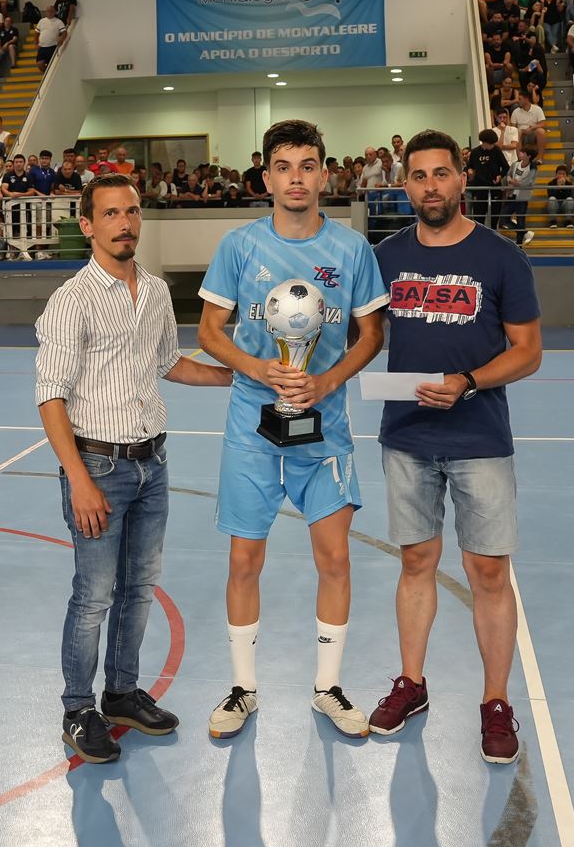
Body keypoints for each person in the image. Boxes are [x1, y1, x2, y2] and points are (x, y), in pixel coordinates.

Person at [197, 119, 389, 740]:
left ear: (324, 173)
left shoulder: (351, 249)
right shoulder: (239, 246)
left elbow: (372, 335)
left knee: (334, 559)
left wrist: (326, 383)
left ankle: (327, 687)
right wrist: (259, 369)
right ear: (267, 176)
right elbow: (208, 332)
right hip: (252, 425)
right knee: (243, 559)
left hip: (325, 427)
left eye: (308, 165)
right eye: (285, 166)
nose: (297, 178)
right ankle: (242, 690)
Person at [35, 173, 232, 764]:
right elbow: (51, 397)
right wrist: (79, 479)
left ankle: (120, 693)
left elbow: (169, 362)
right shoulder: (71, 301)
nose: (125, 223)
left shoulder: (153, 290)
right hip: (98, 464)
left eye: (133, 212)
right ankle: (78, 708)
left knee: (138, 590)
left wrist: (237, 374)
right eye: (112, 214)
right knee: (93, 596)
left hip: (153, 464)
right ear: (88, 226)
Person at [367, 128, 541, 763]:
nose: (431, 186)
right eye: (419, 175)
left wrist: (468, 381)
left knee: (487, 571)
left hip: (479, 439)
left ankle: (496, 701)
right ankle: (411, 683)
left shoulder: (501, 258)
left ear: (463, 179)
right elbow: (364, 340)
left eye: (442, 173)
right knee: (415, 563)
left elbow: (528, 352)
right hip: (406, 437)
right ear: (405, 182)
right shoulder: (383, 257)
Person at [35, 5, 67, 73]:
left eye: (52, 11)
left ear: (55, 12)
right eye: (48, 11)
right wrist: (35, 42)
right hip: (42, 47)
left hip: (52, 47)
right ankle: (47, 73)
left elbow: (64, 32)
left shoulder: (58, 22)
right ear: (46, 12)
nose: (50, 12)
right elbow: (37, 32)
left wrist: (61, 39)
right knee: (39, 64)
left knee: (52, 65)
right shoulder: (41, 21)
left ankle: (50, 77)